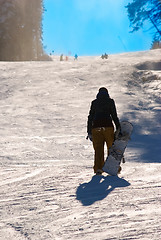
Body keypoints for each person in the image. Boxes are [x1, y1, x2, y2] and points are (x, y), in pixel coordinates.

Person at [87, 87, 121, 175]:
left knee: (98, 149)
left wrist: (89, 131)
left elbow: (90, 117)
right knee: (111, 147)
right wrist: (118, 128)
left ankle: (98, 168)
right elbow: (114, 115)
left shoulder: (94, 102)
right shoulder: (110, 101)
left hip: (96, 128)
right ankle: (113, 167)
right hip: (108, 127)